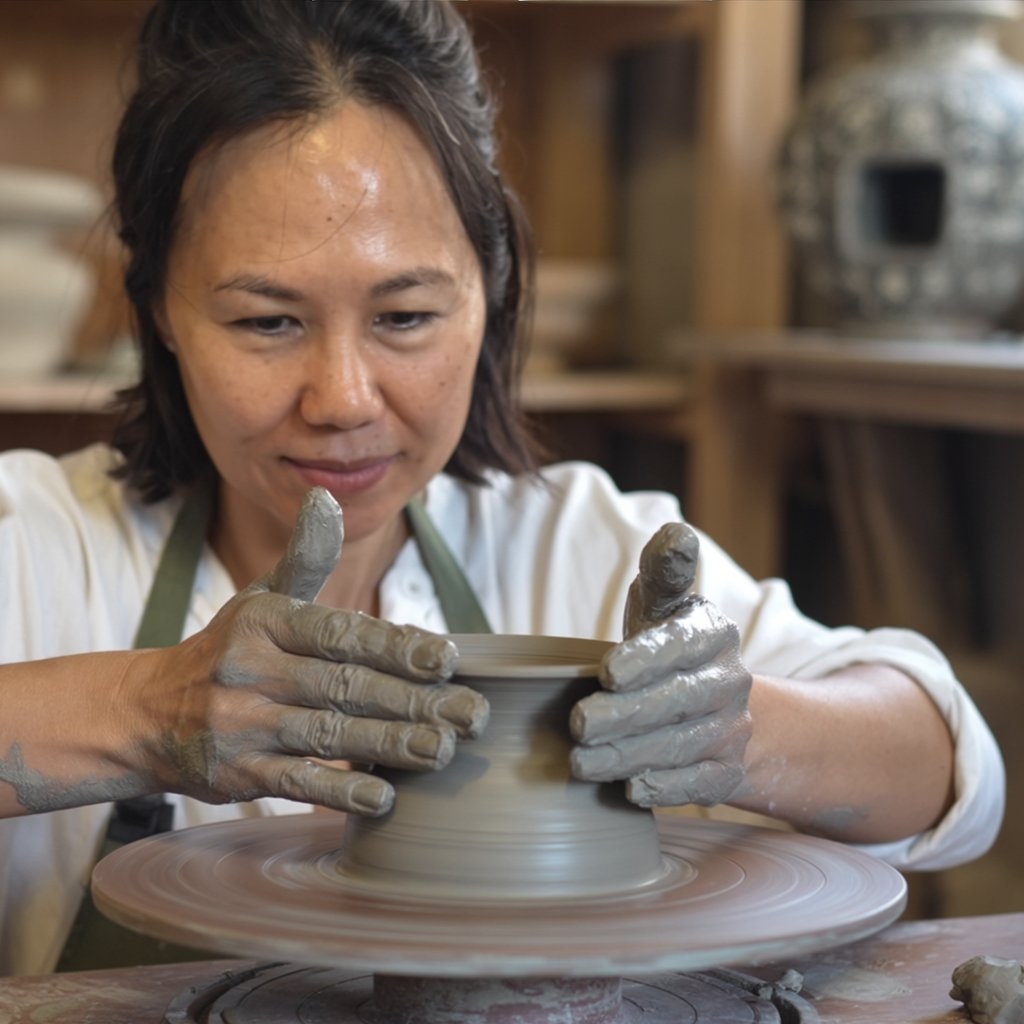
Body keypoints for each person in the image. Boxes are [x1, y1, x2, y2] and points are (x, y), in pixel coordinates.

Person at [0, 0, 1003, 978]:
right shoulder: (40, 544)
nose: (342, 399)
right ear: (158, 307)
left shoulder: (577, 546)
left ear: (490, 290)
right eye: (267, 322)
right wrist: (146, 709)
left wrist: (742, 738)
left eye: (404, 317)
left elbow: (947, 762)